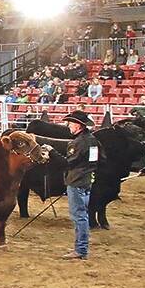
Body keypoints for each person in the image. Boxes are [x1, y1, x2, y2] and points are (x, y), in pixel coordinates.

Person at [48, 111, 99, 260]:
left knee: (79, 216)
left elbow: (67, 163)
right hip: (87, 180)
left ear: (78, 125)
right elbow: (98, 160)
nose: (68, 126)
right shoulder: (93, 140)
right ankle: (81, 247)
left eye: (70, 123)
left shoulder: (78, 143)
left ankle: (81, 249)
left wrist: (52, 152)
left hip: (77, 181)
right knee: (82, 214)